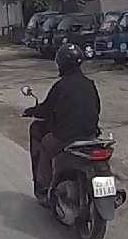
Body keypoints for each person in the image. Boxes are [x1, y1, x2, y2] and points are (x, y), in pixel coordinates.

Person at [25, 43, 101, 204]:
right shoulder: (90, 84)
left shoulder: (61, 86)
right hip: (90, 135)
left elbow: (46, 109)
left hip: (66, 137)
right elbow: (97, 108)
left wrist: (30, 111)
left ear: (61, 63)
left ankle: (45, 188)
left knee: (46, 145)